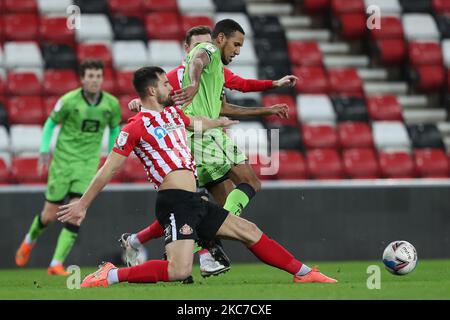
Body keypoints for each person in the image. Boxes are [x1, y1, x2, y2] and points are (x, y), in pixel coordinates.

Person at [56, 66, 337, 287]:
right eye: (166, 83)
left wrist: (221, 121)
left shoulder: (173, 115)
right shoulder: (135, 127)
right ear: (153, 90)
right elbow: (109, 169)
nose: (171, 86)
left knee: (249, 231)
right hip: (174, 202)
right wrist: (82, 204)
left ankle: (304, 272)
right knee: (178, 271)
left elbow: (197, 123)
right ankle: (111, 274)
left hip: (194, 200)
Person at [121, 22, 296, 277]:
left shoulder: (216, 71)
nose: (204, 48)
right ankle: (203, 244)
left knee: (198, 205)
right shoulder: (180, 72)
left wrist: (271, 93)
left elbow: (235, 93)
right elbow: (157, 93)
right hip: (200, 137)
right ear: (188, 49)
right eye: (198, 45)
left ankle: (139, 240)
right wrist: (141, 102)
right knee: (245, 185)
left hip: (198, 136)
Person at [15, 60, 122, 275]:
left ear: (102, 78)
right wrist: (44, 150)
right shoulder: (68, 101)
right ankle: (29, 240)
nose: (94, 80)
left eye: (98, 76)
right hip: (63, 164)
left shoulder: (110, 104)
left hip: (87, 165)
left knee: (77, 212)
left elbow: (114, 128)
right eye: (90, 76)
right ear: (82, 79)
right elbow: (50, 123)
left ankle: (56, 263)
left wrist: (112, 154)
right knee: (49, 215)